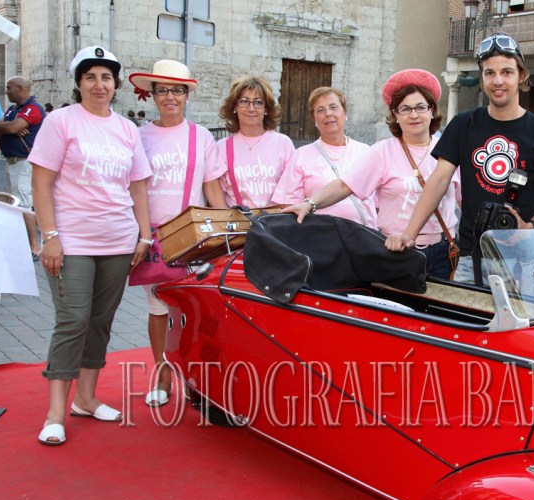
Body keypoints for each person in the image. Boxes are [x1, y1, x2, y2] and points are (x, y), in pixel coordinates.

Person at [29, 46, 153, 445]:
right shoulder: (60, 121)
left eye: (105, 77)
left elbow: (137, 187)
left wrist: (144, 234)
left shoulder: (127, 129)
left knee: (101, 321)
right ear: (78, 83)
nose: (99, 85)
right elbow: (41, 183)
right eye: (90, 77)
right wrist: (50, 237)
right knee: (72, 320)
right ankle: (54, 413)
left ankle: (86, 398)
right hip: (72, 241)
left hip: (118, 240)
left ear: (115, 84)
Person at [385, 33, 534, 284]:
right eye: (489, 73)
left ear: (521, 76)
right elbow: (438, 181)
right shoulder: (464, 124)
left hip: (522, 261)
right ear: (482, 79)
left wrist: (531, 228)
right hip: (471, 258)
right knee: (462, 322)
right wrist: (409, 233)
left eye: (507, 72)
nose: (498, 81)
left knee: (520, 325)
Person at [281, 70, 460, 279]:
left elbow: (466, 199)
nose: (414, 115)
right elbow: (345, 185)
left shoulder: (450, 151)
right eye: (405, 109)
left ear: (432, 111)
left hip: (442, 252)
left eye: (421, 107)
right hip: (396, 251)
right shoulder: (382, 151)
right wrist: (310, 204)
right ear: (396, 115)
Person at [128, 59, 227, 407]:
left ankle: (196, 376)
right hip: (153, 236)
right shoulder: (138, 136)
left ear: (187, 96)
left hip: (192, 238)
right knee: (158, 309)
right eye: (163, 90)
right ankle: (162, 374)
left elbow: (212, 187)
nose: (170, 97)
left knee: (193, 312)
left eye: (177, 90)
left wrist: (226, 231)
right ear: (151, 95)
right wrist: (138, 234)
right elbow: (132, 188)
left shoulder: (200, 136)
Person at [272, 87, 376, 227]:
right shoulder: (301, 156)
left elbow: (380, 202)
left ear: (345, 113)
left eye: (333, 107)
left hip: (365, 237)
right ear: (315, 119)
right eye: (320, 110)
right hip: (322, 239)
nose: (328, 113)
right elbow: (289, 205)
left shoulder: (366, 152)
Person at [216, 76, 294, 208]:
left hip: (276, 222)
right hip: (237, 224)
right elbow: (217, 192)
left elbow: (292, 187)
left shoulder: (283, 143)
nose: (251, 108)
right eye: (244, 101)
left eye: (258, 102)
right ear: (235, 106)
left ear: (266, 109)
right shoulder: (221, 147)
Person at [0, 76, 46, 261]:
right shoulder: (12, 110)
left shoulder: (33, 108)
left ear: (21, 88)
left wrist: (11, 127)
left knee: (23, 205)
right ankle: (19, 244)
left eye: (9, 87)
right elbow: (0, 130)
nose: (6, 90)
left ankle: (34, 248)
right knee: (13, 203)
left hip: (24, 163)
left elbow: (12, 127)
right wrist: (6, 127)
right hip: (12, 162)